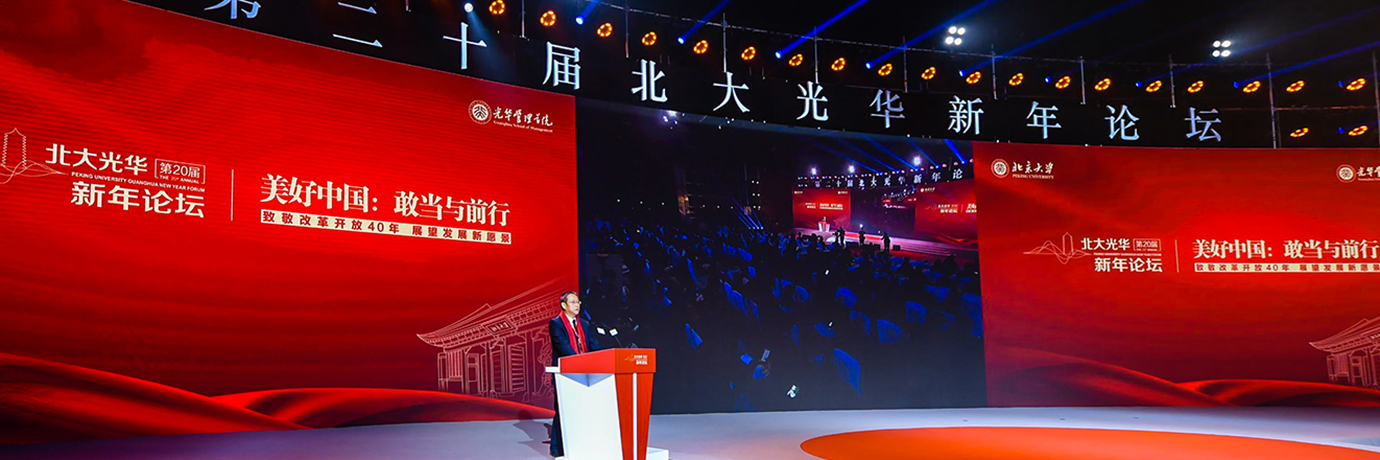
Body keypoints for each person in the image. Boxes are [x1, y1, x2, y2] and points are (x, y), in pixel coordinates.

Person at [547, 291, 601, 458]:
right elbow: (563, 346)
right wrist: (580, 362)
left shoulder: (584, 324)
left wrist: (602, 356)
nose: (577, 305)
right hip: (565, 373)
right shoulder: (556, 324)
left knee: (582, 410)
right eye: (572, 302)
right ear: (564, 305)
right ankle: (557, 448)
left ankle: (580, 443)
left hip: (585, 373)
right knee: (562, 410)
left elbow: (592, 344)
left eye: (578, 302)